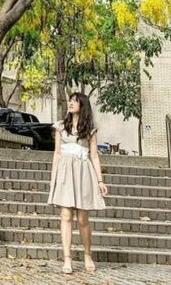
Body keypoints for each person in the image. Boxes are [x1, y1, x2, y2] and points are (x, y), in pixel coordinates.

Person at [47, 92, 108, 274]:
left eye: (75, 101)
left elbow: (94, 156)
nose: (71, 103)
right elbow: (57, 153)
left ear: (83, 105)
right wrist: (53, 179)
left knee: (82, 218)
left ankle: (88, 254)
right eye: (70, 100)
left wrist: (100, 181)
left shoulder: (90, 129)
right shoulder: (60, 126)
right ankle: (67, 258)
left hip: (83, 173)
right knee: (65, 216)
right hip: (65, 173)